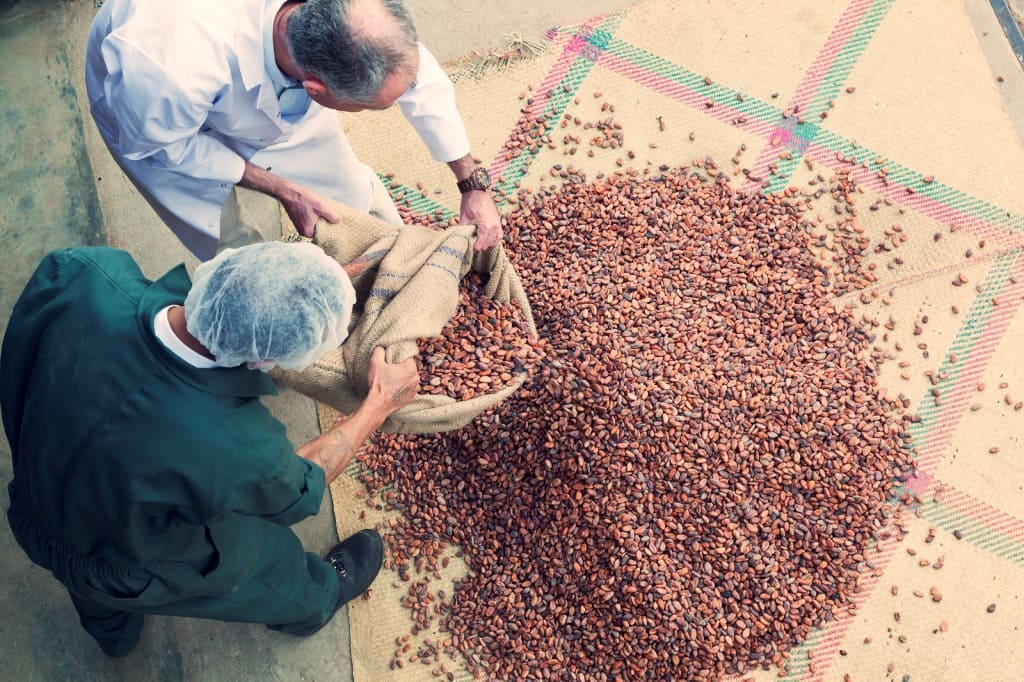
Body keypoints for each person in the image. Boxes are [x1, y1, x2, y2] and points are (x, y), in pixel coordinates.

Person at [1, 242, 419, 657]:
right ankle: (317, 600)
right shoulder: (238, 445)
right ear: (265, 360)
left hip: (34, 502)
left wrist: (290, 282)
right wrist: (378, 403)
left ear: (221, 269)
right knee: (265, 559)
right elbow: (299, 488)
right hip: (122, 566)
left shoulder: (84, 271)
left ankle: (113, 635)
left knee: (86, 582)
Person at [84, 0, 502, 260]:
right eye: (368, 107)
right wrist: (282, 188)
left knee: (347, 194)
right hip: (157, 126)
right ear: (316, 89)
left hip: (269, 80)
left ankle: (384, 259)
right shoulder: (166, 69)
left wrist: (472, 184)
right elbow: (166, 149)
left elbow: (408, 68)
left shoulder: (353, 17)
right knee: (224, 236)